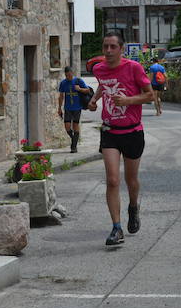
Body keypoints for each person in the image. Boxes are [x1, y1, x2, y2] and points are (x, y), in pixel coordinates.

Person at [88, 32, 155, 246]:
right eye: (105, 46)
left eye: (112, 47)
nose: (108, 51)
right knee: (112, 180)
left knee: (131, 180)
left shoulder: (134, 68)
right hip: (110, 131)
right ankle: (116, 228)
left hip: (133, 131)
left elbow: (150, 95)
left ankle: (133, 207)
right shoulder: (98, 69)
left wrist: (127, 100)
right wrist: (94, 99)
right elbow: (103, 84)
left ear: (121, 49)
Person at [58, 66, 92, 153]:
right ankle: (74, 140)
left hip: (77, 107)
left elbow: (88, 91)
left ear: (72, 73)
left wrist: (80, 89)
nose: (68, 77)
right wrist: (59, 108)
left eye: (69, 75)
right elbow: (61, 96)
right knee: (67, 127)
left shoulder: (78, 81)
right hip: (68, 108)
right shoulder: (63, 83)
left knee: (75, 126)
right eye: (66, 75)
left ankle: (74, 147)